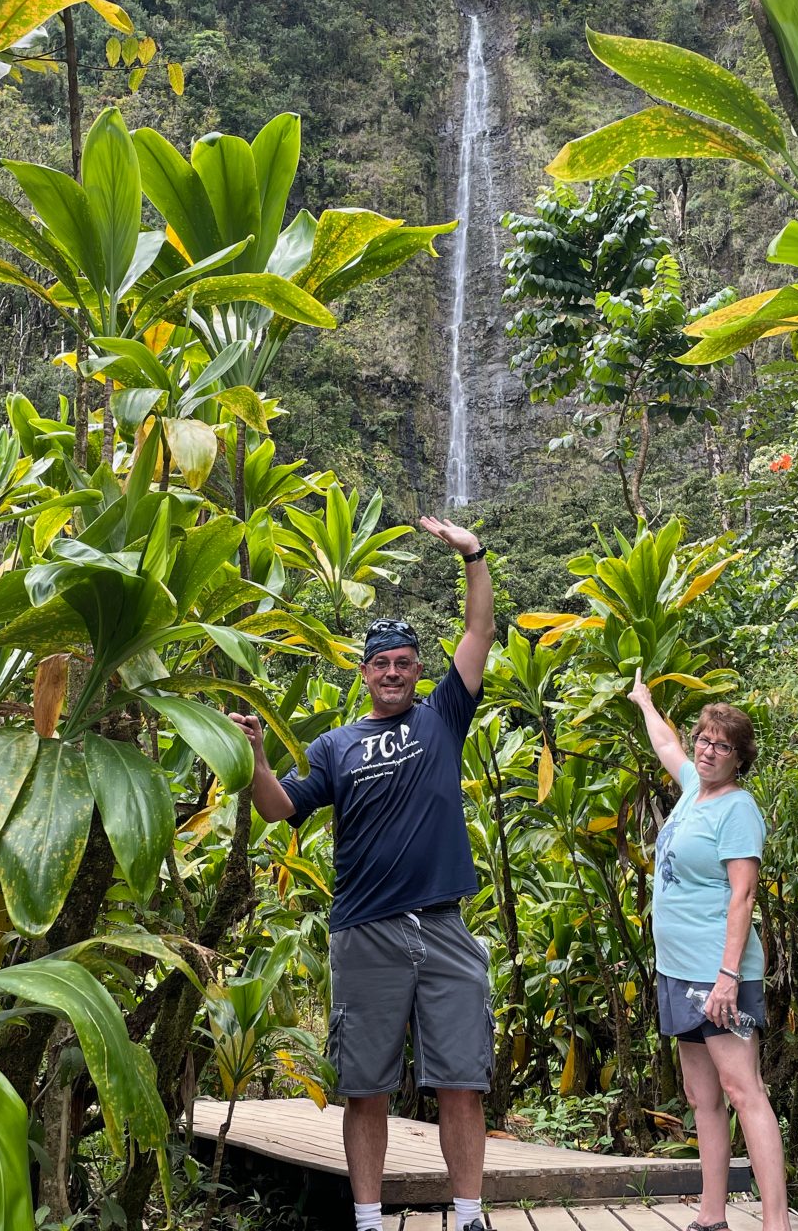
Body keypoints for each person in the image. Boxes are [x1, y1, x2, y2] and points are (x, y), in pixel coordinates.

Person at [231, 515, 495, 1231]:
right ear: (364, 671)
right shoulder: (335, 746)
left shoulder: (444, 717)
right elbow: (280, 807)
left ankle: (469, 1214)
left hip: (442, 926)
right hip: (365, 934)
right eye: (380, 663)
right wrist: (253, 758)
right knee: (365, 1087)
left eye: (404, 661)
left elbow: (478, 634)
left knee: (461, 1081)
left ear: (417, 669)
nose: (391, 671)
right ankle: (370, 1220)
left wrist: (471, 553)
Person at [628, 668, 791, 1231]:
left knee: (744, 1090)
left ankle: (775, 1223)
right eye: (704, 739)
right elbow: (666, 743)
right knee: (702, 1097)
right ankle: (711, 1215)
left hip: (718, 973)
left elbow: (743, 896)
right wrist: (643, 700)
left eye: (722, 746)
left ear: (739, 759)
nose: (707, 750)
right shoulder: (693, 789)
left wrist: (727, 977)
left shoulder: (737, 809)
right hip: (677, 971)